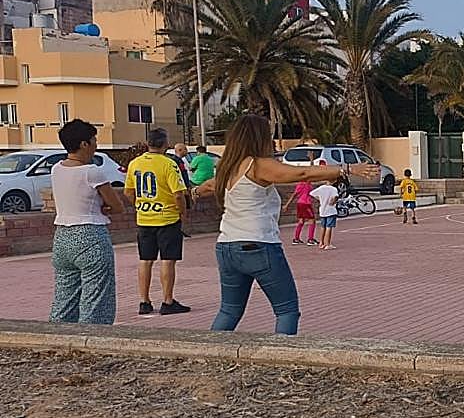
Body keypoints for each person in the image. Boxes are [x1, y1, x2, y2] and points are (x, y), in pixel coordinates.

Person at [193, 114, 371, 334]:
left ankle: (211, 353)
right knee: (286, 310)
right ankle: (282, 357)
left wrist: (193, 192)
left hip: (226, 246)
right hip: (258, 245)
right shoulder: (257, 165)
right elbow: (301, 172)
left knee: (229, 311)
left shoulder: (228, 167)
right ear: (259, 137)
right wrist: (346, 169)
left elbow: (210, 186)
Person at [48, 119, 126, 325]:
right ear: (84, 144)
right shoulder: (92, 171)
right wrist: (105, 206)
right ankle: (92, 341)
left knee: (65, 296)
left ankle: (57, 337)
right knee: (96, 299)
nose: (96, 145)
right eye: (94, 140)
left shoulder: (56, 169)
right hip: (90, 236)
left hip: (62, 237)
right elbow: (117, 206)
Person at [126, 128, 190, 316]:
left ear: (148, 143)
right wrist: (182, 213)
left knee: (145, 260)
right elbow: (178, 194)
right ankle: (167, 300)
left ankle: (144, 301)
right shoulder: (169, 164)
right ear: (165, 144)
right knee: (168, 260)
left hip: (144, 218)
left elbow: (128, 192)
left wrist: (140, 205)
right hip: (167, 218)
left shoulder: (135, 163)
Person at [283, 179, 318, 246]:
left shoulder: (300, 184)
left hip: (299, 203)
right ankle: (310, 239)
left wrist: (287, 205)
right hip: (306, 204)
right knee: (312, 220)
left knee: (301, 220)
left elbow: (294, 194)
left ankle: (296, 239)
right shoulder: (307, 185)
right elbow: (311, 195)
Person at [311, 180, 340, 250]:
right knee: (329, 227)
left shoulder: (321, 188)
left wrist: (320, 199)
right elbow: (336, 196)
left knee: (323, 227)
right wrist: (333, 202)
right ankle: (327, 244)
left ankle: (321, 243)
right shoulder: (333, 189)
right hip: (330, 210)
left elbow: (312, 193)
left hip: (322, 210)